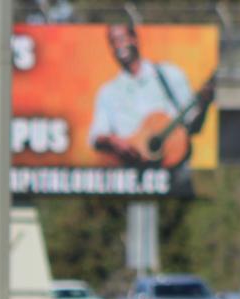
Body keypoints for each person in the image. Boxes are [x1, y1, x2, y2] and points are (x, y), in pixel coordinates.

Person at [88, 22, 215, 195]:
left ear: (134, 38)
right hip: (131, 180)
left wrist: (204, 104)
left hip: (174, 176)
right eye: (114, 41)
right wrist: (114, 141)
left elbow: (194, 126)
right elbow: (96, 136)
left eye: (123, 38)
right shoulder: (108, 92)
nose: (119, 45)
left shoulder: (169, 75)